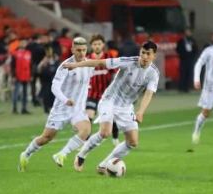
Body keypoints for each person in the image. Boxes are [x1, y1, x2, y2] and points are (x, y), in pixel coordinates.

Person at [63, 41, 159, 174]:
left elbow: (148, 94)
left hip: (126, 106)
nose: (144, 56)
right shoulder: (128, 62)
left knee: (133, 142)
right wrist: (76, 65)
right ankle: (81, 155)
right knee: (105, 132)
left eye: (148, 54)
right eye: (143, 52)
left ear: (154, 56)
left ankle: (104, 165)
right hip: (110, 100)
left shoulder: (154, 73)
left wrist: (141, 111)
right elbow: (100, 63)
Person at [19, 38, 95, 172]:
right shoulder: (65, 66)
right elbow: (55, 87)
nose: (81, 53)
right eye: (78, 50)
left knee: (86, 130)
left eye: (84, 50)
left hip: (77, 108)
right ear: (72, 50)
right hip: (62, 108)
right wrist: (65, 100)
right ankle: (26, 155)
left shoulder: (89, 63)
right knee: (46, 138)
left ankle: (62, 154)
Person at [85, 34, 120, 146]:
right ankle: (86, 143)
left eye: (99, 44)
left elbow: (115, 73)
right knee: (88, 116)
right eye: (94, 44)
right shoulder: (87, 59)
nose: (97, 46)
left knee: (113, 118)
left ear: (103, 45)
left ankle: (115, 140)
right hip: (92, 93)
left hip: (107, 94)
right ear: (91, 46)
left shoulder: (109, 58)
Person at [11, 38, 32, 114]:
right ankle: (14, 108)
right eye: (22, 42)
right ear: (19, 43)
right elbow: (12, 65)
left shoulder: (28, 53)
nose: (23, 44)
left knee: (25, 93)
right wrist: (13, 75)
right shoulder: (15, 53)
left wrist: (31, 74)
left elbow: (30, 65)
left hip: (26, 75)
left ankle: (24, 108)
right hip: (18, 75)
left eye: (25, 42)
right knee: (16, 92)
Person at [176, 28, 197, 92]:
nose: (188, 33)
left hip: (190, 59)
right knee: (183, 73)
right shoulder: (181, 41)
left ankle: (187, 88)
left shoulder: (192, 40)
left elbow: (195, 49)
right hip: (183, 59)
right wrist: (182, 55)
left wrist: (192, 56)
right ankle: (181, 87)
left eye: (189, 32)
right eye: (187, 32)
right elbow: (177, 49)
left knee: (189, 73)